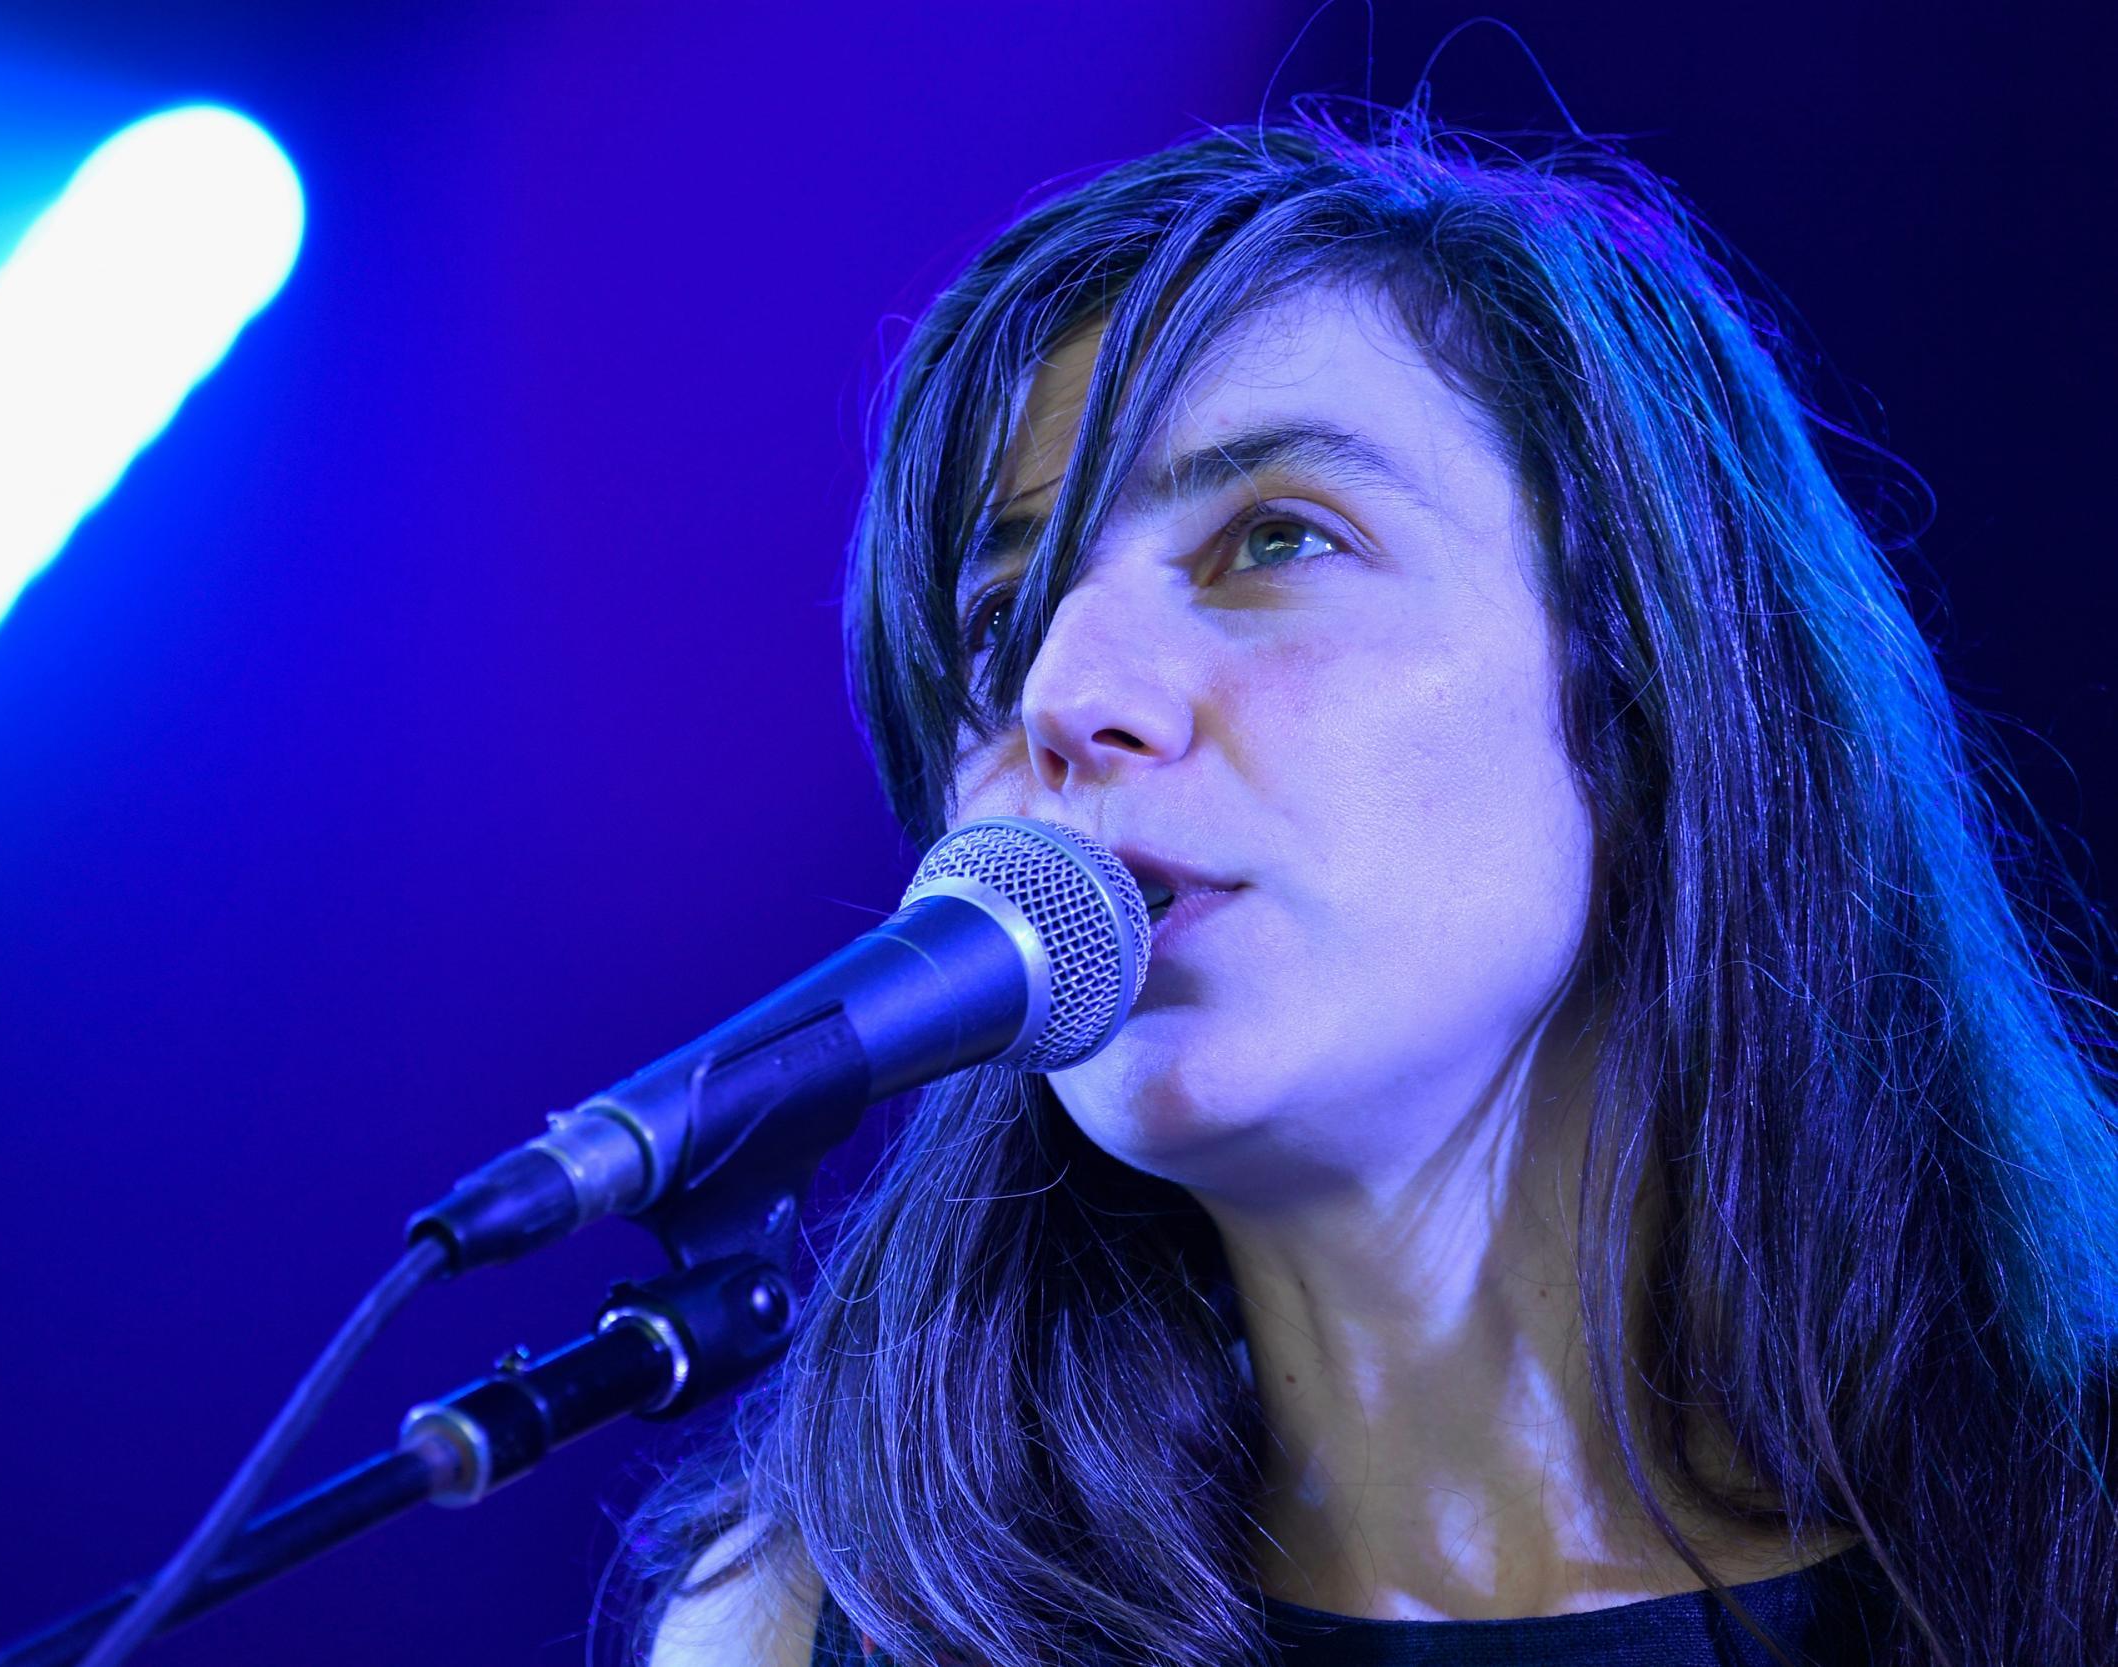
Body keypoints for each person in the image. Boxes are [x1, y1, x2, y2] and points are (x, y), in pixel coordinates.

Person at [619, 109, 2118, 1666]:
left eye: (1274, 537)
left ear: (1656, 692)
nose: (1062, 693)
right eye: (999, 623)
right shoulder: (797, 1627)